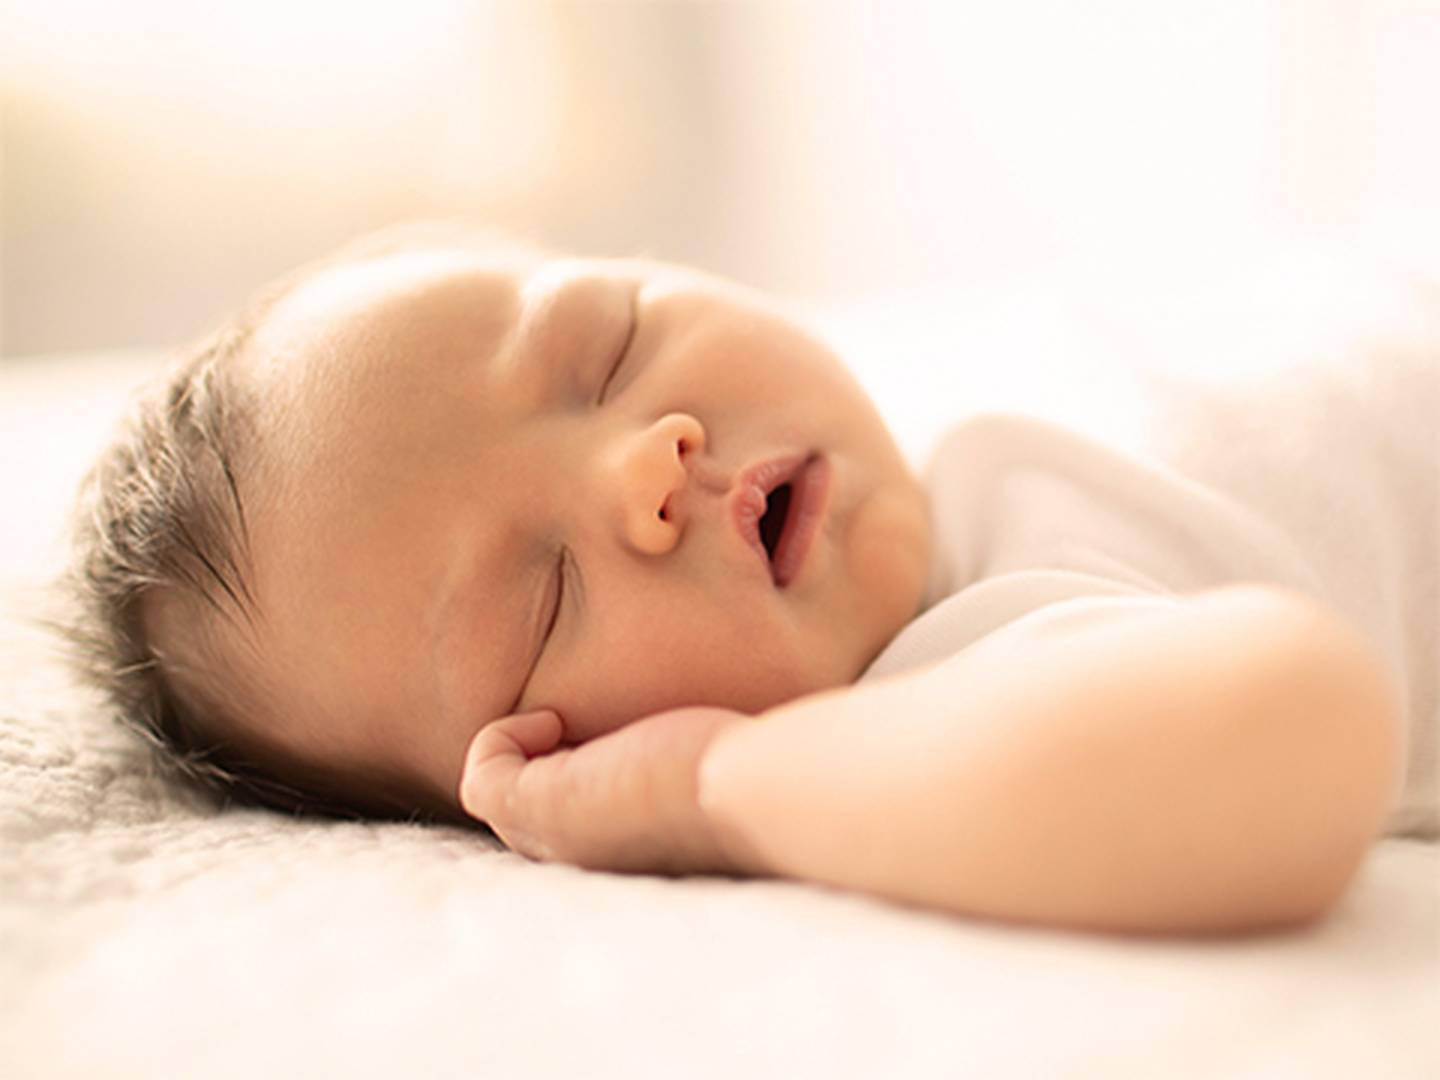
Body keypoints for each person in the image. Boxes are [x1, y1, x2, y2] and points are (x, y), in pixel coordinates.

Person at [66, 223, 1435, 937]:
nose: (644, 466)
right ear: (558, 769)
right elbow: (1295, 733)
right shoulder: (967, 674)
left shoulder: (969, 421)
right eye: (546, 597)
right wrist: (723, 788)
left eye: (605, 346)